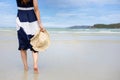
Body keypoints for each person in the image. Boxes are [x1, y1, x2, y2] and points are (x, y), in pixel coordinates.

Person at [16, 0, 44, 73]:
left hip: (21, 19)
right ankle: (35, 65)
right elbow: (36, 9)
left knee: (22, 46)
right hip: (32, 19)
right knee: (34, 43)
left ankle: (25, 67)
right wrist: (40, 24)